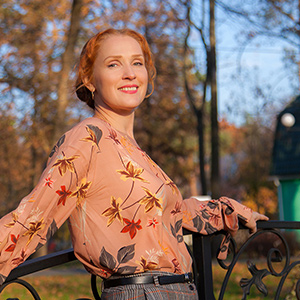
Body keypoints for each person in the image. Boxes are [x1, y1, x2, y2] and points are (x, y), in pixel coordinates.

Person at [0, 28, 268, 299]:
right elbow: (32, 217)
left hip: (179, 290)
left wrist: (224, 212)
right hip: (141, 293)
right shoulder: (88, 138)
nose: (130, 72)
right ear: (90, 80)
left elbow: (171, 215)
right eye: (114, 64)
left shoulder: (131, 150)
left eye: (137, 62)